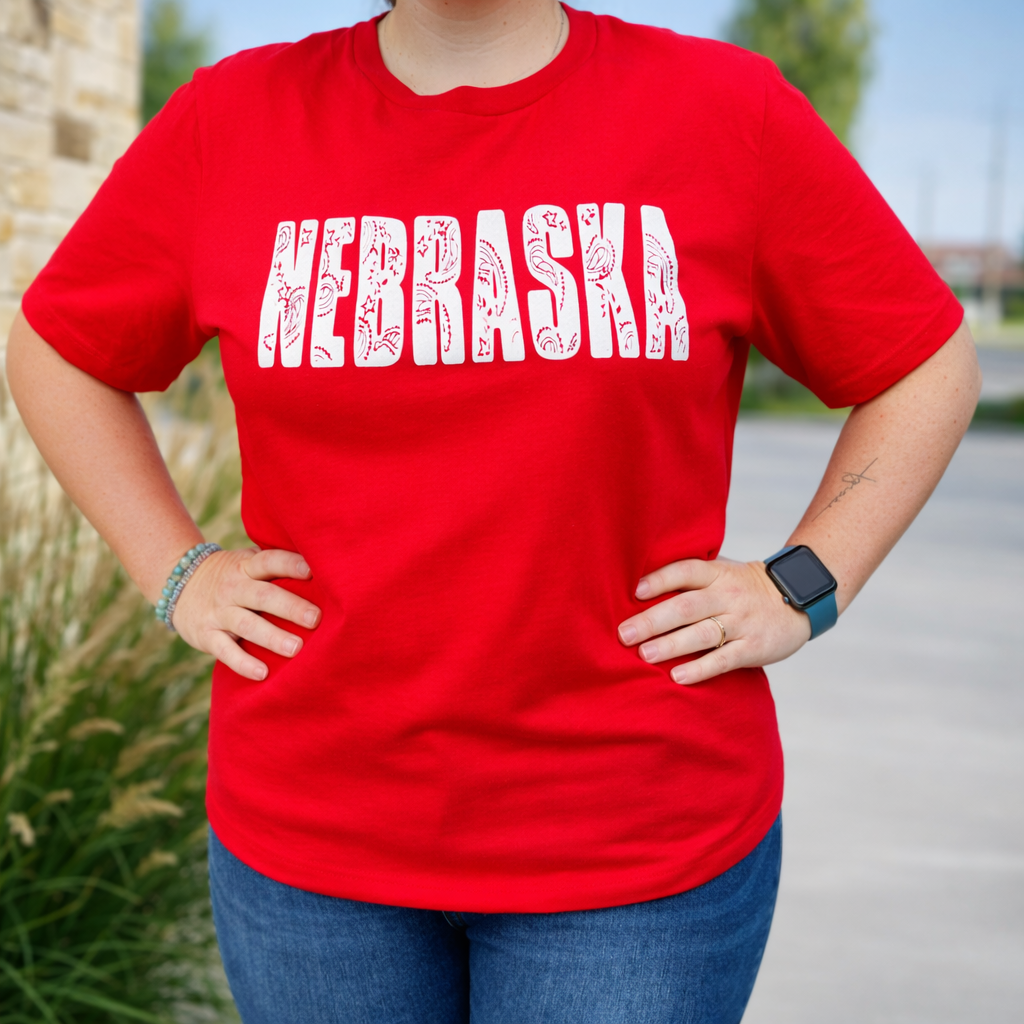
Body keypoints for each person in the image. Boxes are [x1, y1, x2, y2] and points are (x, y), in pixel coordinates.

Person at [5, 1, 980, 1021]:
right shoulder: (233, 119)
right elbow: (60, 349)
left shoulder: (722, 112)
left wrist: (804, 581)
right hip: (312, 841)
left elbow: (919, 360)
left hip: (632, 851)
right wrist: (177, 568)